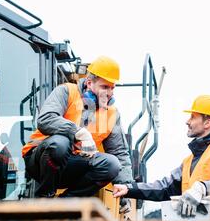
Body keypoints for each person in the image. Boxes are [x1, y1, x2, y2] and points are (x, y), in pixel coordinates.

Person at [22, 56, 133, 201]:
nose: (109, 93)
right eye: (105, 87)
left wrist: (125, 189)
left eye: (112, 88)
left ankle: (66, 203)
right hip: (41, 162)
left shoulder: (112, 113)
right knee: (60, 144)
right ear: (89, 83)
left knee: (112, 164)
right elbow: (46, 119)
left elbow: (118, 151)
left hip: (74, 165)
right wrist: (78, 132)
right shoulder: (67, 92)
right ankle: (44, 198)